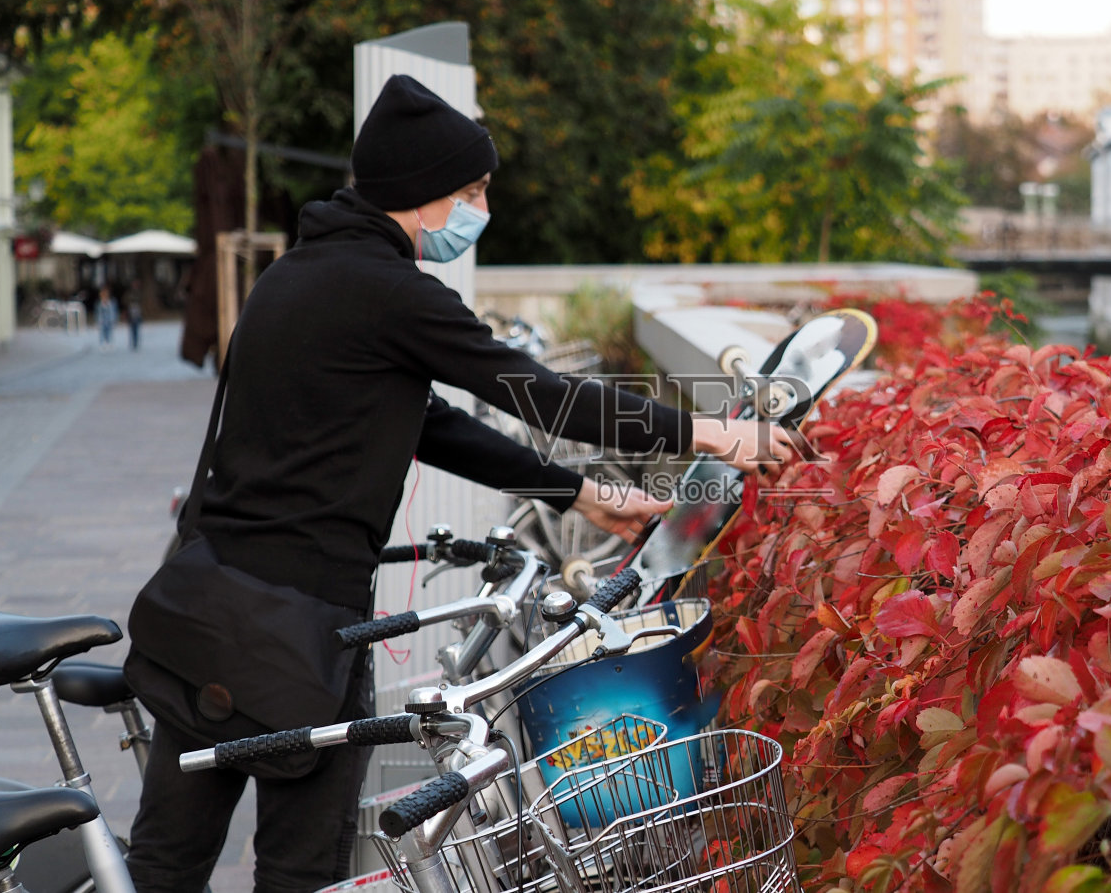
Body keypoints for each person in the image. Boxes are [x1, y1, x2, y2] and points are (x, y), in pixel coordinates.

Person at [123, 74, 799, 893]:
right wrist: (710, 431)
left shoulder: (293, 278)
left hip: (208, 607)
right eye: (473, 190)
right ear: (422, 193)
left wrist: (574, 494)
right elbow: (535, 393)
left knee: (165, 864)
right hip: (300, 631)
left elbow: (428, 423)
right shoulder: (391, 292)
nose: (479, 209)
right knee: (301, 874)